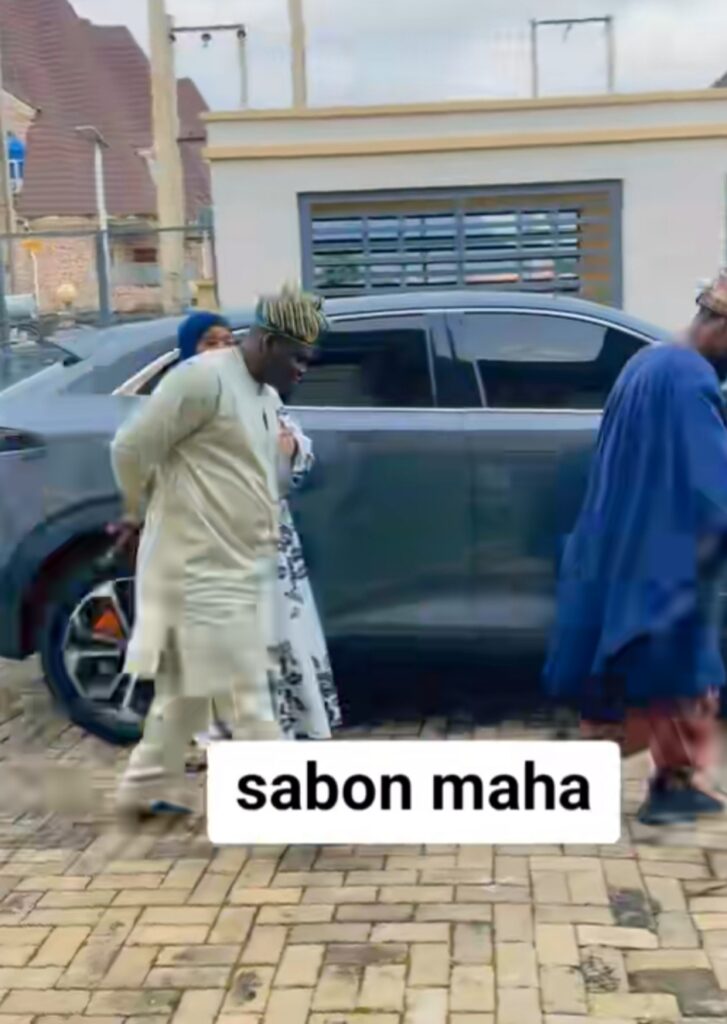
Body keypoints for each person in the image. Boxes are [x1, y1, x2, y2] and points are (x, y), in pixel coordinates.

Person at [109, 285, 327, 817]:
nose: (303, 369)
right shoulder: (201, 379)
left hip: (239, 564)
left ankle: (145, 790)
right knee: (248, 693)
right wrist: (138, 513)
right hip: (193, 565)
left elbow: (264, 479)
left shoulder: (266, 397)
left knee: (185, 695)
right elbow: (130, 448)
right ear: (268, 343)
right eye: (297, 357)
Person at [543, 270, 727, 826]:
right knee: (675, 679)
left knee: (653, 677)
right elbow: (710, 485)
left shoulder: (648, 361)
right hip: (665, 550)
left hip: (626, 540)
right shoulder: (689, 378)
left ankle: (666, 787)